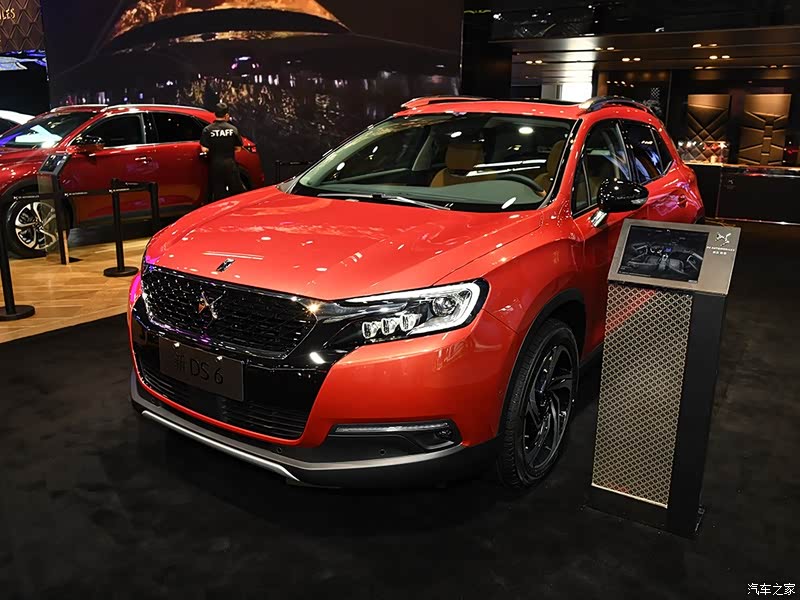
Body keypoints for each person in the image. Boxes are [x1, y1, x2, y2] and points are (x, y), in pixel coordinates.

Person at [200, 102, 246, 202]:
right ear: (226, 115)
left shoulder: (207, 130)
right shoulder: (233, 129)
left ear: (215, 114)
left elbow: (204, 149)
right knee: (237, 193)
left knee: (218, 193)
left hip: (215, 165)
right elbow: (238, 148)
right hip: (230, 164)